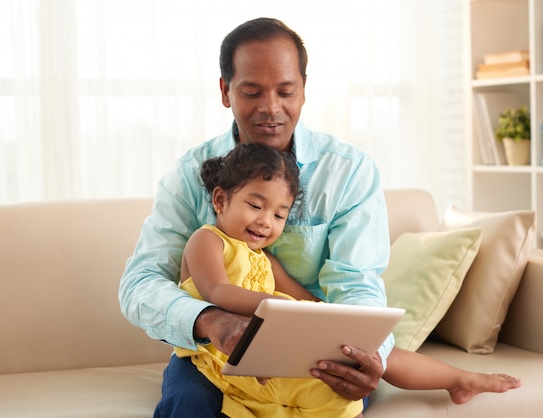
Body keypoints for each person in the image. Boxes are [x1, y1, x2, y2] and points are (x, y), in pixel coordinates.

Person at [118, 17, 520, 417]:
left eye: (286, 91)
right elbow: (140, 283)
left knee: (341, 396)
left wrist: (366, 353)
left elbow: (356, 285)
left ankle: (455, 379)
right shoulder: (190, 176)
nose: (271, 108)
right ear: (226, 91)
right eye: (252, 91)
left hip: (314, 354)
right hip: (214, 353)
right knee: (188, 404)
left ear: (304, 90)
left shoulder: (349, 172)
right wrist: (210, 321)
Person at [173, 142, 520, 418]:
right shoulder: (207, 240)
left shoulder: (266, 259)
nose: (266, 221)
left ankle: (460, 380)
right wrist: (275, 306)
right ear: (220, 199)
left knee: (369, 353)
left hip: (275, 338)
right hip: (224, 351)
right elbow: (217, 291)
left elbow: (309, 302)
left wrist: (335, 323)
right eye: (255, 205)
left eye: (279, 214)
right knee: (325, 392)